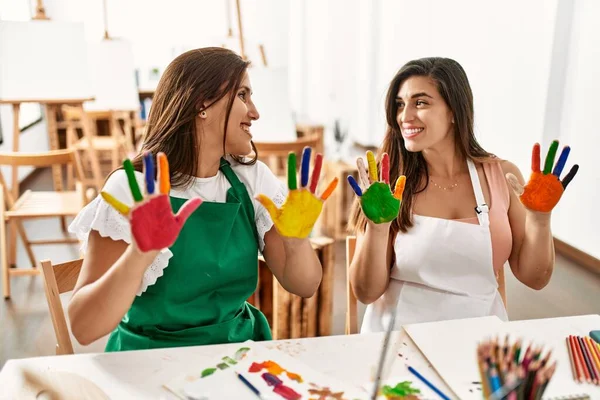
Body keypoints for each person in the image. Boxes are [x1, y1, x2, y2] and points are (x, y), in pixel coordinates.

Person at [67, 47, 337, 351]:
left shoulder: (252, 180)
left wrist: (296, 241)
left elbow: (304, 285)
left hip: (238, 354)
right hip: (149, 359)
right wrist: (140, 254)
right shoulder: (134, 189)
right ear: (203, 104)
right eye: (243, 95)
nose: (255, 112)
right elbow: (84, 328)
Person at [347, 57, 578, 332]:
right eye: (400, 104)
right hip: (396, 340)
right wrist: (377, 229)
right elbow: (365, 293)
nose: (404, 116)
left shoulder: (500, 176)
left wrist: (540, 219)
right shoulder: (387, 184)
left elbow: (535, 278)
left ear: (454, 110)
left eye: (420, 103)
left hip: (480, 340)